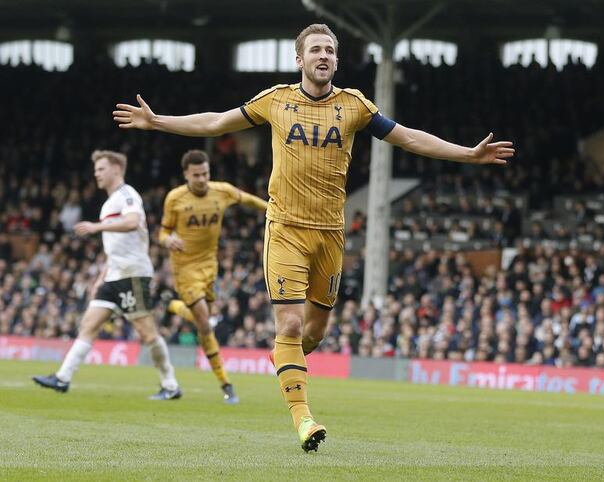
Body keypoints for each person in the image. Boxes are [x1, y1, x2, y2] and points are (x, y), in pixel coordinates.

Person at [113, 23, 513, 452]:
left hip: (331, 236)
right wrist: (157, 123)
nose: (323, 56)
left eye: (330, 51)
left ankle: (284, 356)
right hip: (285, 229)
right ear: (299, 59)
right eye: (315, 50)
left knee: (314, 333)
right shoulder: (276, 100)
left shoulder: (355, 106)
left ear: (336, 60)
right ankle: (303, 419)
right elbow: (216, 122)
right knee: (289, 322)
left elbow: (409, 137)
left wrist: (467, 153)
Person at [33, 150, 181, 400]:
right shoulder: (109, 202)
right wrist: (101, 276)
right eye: (96, 170)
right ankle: (62, 378)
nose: (96, 174)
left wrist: (96, 226)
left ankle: (170, 385)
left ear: (116, 169)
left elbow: (133, 222)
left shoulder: (127, 195)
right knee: (88, 325)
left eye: (101, 169)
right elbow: (114, 247)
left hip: (132, 274)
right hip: (113, 275)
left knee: (147, 333)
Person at [159, 149, 269, 405]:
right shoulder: (174, 199)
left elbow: (247, 200)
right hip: (184, 268)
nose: (202, 179)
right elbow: (162, 232)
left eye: (205, 173)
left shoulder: (221, 191)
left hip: (210, 266)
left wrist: (272, 210)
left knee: (203, 322)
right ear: (186, 174)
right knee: (205, 323)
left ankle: (173, 306)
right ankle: (226, 383)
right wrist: (169, 240)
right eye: (196, 175)